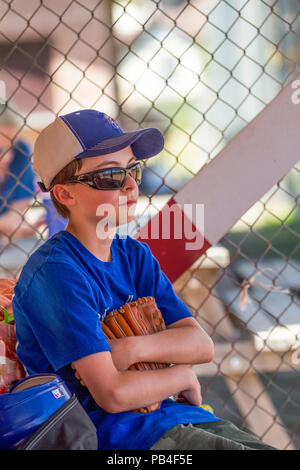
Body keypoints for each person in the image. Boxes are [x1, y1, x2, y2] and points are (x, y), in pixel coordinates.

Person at [12, 110, 275, 450]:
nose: (132, 185)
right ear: (64, 195)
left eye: (133, 169)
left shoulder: (134, 256)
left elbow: (200, 345)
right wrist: (180, 376)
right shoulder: (56, 272)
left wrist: (130, 348)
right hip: (118, 437)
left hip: (176, 417)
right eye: (110, 176)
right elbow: (111, 394)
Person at [0, 105, 36, 242]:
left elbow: (16, 215)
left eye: (11, 147)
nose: (7, 158)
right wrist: (4, 225)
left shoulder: (21, 152)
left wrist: (10, 228)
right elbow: (10, 225)